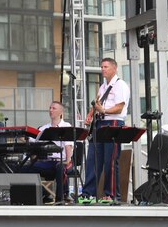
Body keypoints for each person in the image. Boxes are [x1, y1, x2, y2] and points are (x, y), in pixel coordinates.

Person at [79, 57, 130, 204]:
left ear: (114, 68)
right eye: (101, 67)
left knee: (111, 160)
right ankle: (88, 193)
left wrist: (104, 110)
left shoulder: (120, 85)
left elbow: (120, 107)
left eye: (105, 67)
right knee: (93, 159)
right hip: (100, 123)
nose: (102, 69)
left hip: (113, 123)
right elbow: (96, 104)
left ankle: (111, 194)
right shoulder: (103, 87)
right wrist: (90, 115)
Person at [31, 102, 74, 203]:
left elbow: (68, 146)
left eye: (54, 108)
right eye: (50, 108)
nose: (50, 110)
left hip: (62, 161)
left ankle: (62, 197)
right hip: (47, 162)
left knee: (60, 167)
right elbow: (33, 143)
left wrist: (67, 161)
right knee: (26, 168)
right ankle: (42, 194)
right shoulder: (43, 128)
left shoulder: (66, 126)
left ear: (61, 112)